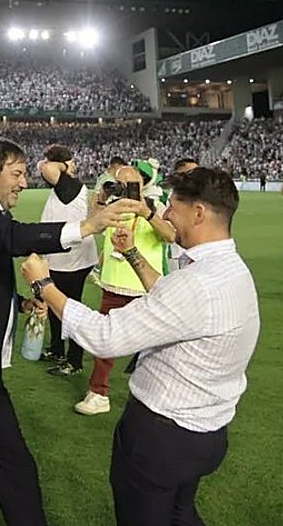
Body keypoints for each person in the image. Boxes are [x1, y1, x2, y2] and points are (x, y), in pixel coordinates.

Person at [21, 167, 260, 526]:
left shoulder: (197, 284)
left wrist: (45, 286)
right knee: (181, 514)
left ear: (199, 213)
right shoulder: (231, 270)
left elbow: (106, 337)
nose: (163, 215)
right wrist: (133, 254)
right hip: (206, 431)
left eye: (173, 208)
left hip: (162, 438)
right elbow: (174, 302)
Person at [0, 138, 142, 525]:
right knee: (14, 466)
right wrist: (85, 226)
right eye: (15, 174)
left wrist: (20, 302)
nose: (23, 182)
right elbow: (13, 239)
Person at [76, 164, 177, 416]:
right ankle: (98, 393)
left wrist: (147, 212)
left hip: (146, 285)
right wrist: (100, 198)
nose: (126, 189)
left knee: (156, 346)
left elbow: (171, 236)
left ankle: (158, 395)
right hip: (113, 283)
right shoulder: (112, 204)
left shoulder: (157, 203)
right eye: (120, 183)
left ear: (143, 183)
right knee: (105, 341)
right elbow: (91, 224)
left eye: (131, 184)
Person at [36, 145, 99, 376]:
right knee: (55, 305)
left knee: (69, 309)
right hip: (62, 258)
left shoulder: (69, 185)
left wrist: (65, 165)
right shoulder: (64, 187)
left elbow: (45, 167)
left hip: (73, 261)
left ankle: (75, 361)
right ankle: (57, 349)